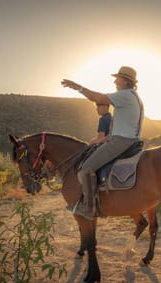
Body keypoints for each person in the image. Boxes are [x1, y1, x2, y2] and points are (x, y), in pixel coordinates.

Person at [61, 66, 144, 220]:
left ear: (125, 81)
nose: (115, 81)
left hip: (122, 141)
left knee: (86, 168)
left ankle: (88, 207)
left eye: (118, 78)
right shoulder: (134, 96)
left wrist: (77, 87)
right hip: (129, 139)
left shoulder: (124, 95)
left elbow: (97, 98)